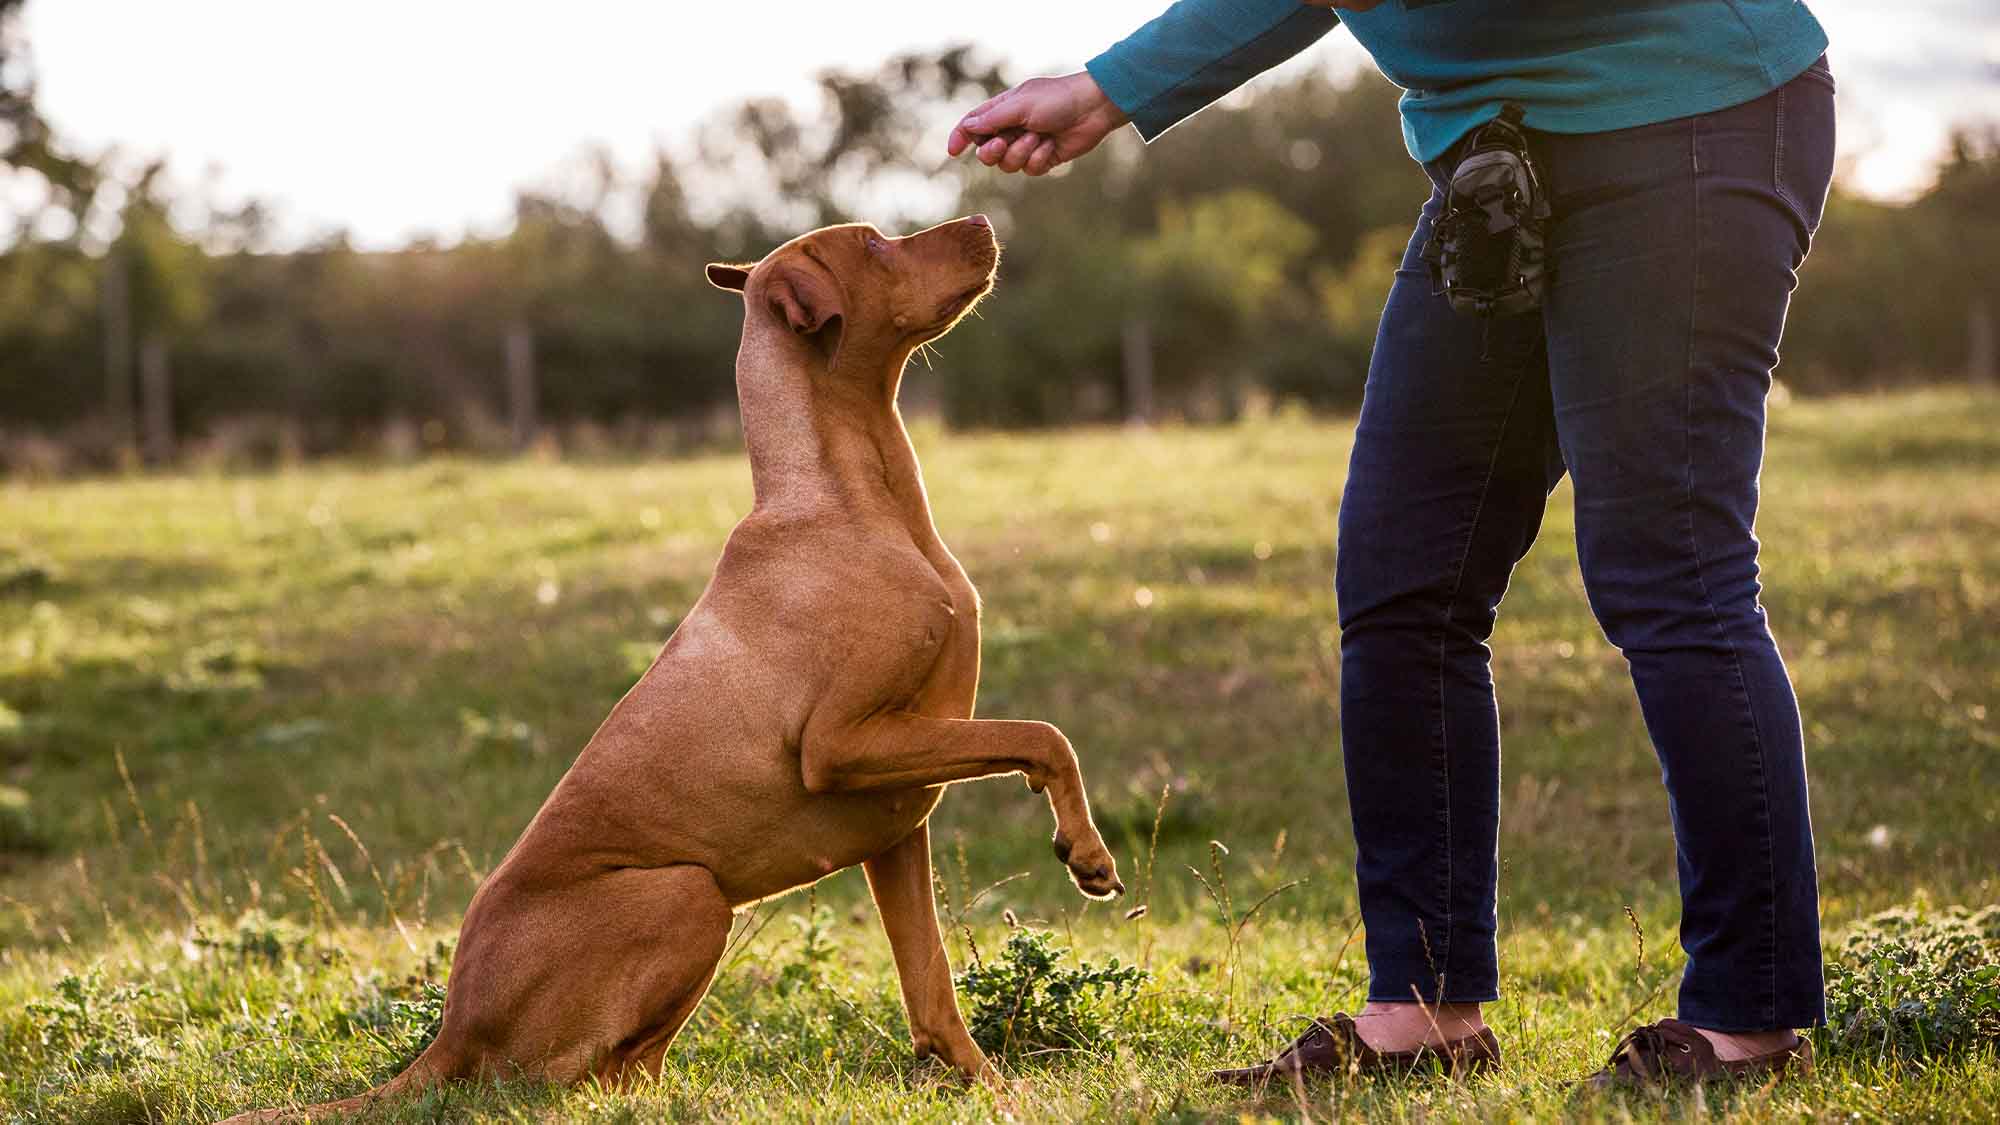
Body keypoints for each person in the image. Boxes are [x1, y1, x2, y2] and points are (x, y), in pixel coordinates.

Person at [948, 0, 1835, 1088]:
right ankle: (1422, 1013)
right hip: (1494, 154)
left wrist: (1116, 84)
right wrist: (1105, 89)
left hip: (1690, 120)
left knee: (1670, 572)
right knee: (1402, 582)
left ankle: (1747, 1019)